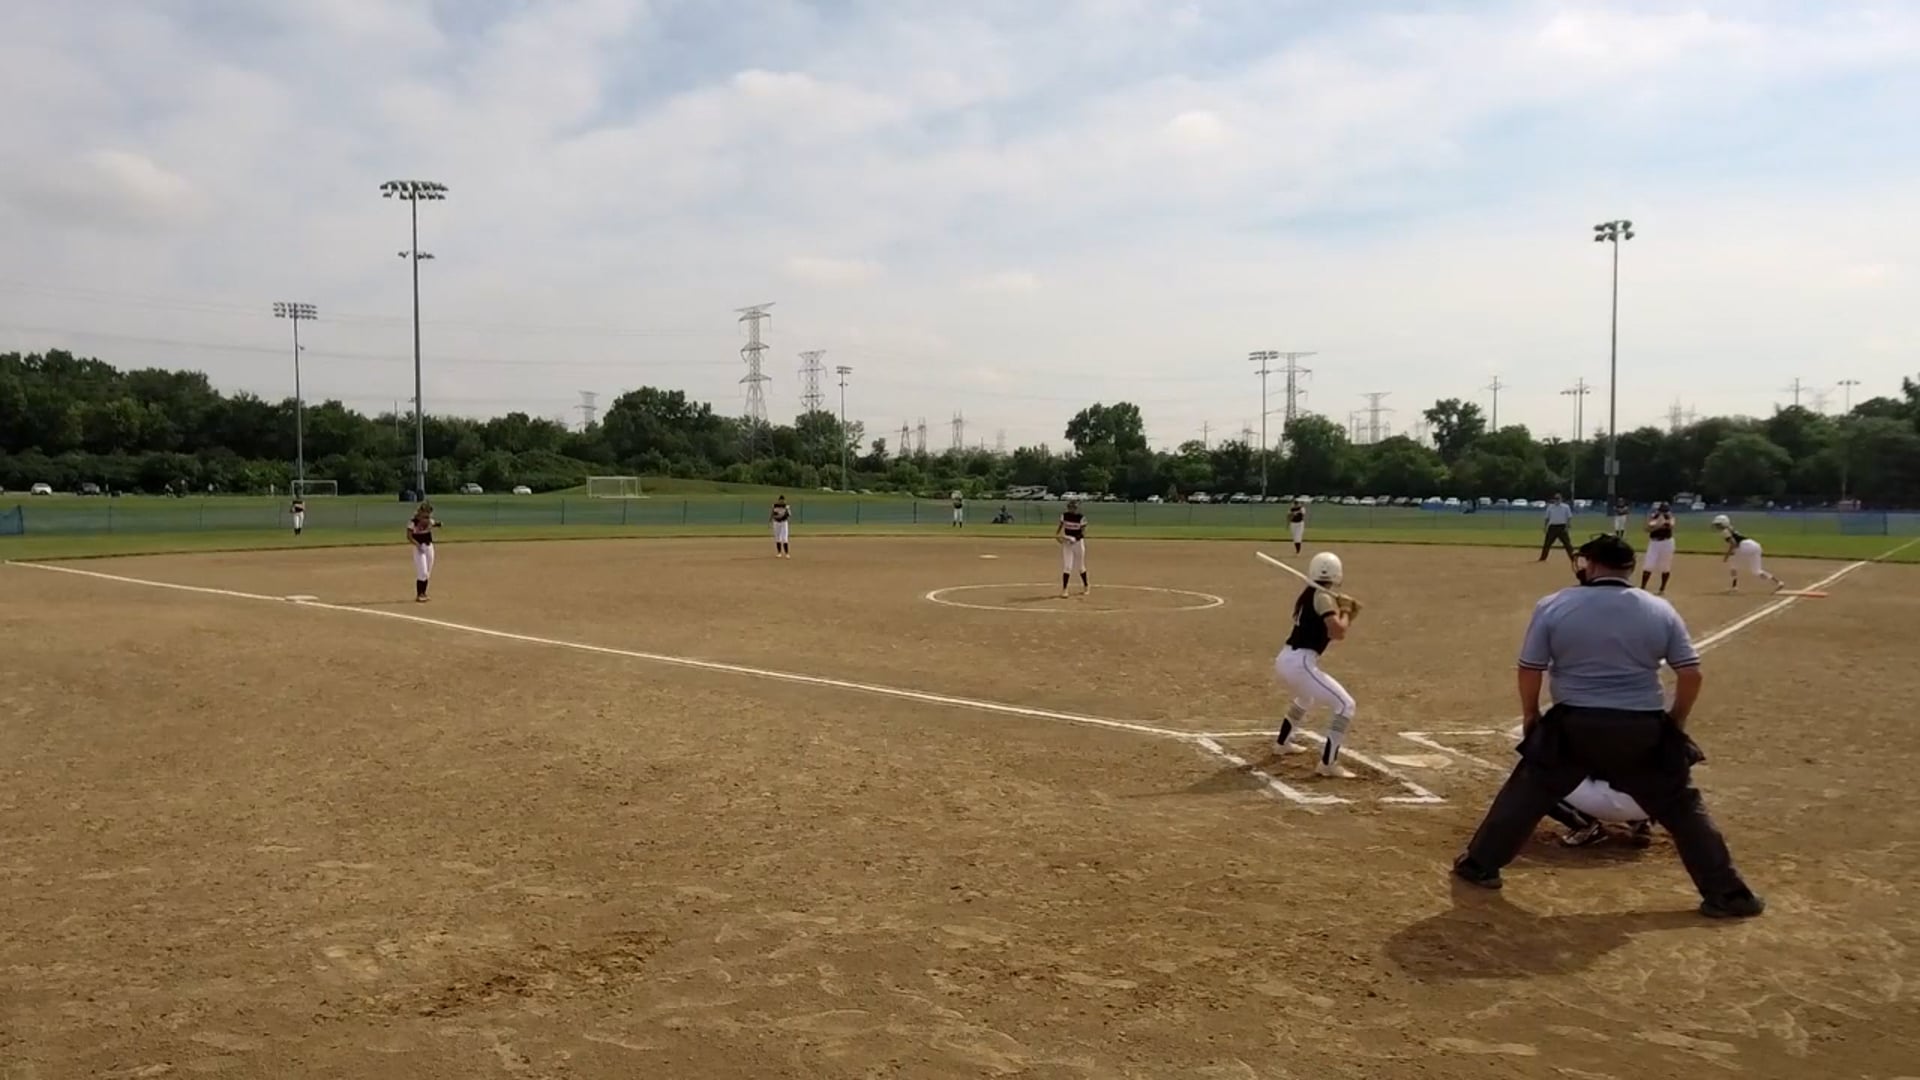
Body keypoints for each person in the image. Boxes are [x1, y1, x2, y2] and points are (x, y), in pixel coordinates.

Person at [1451, 534, 1763, 918]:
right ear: (1629, 568)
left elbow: (1530, 668)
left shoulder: (1554, 604)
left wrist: (1531, 715)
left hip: (1574, 722)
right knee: (1682, 807)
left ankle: (1479, 865)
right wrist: (1675, 721)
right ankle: (1729, 895)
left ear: (1592, 564)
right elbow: (1691, 674)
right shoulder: (1659, 608)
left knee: (1528, 791)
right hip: (1642, 725)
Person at [1274, 552, 1362, 779]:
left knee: (1305, 697)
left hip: (1286, 659)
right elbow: (1337, 631)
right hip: (1300, 663)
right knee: (1346, 705)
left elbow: (1331, 630)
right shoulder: (1323, 597)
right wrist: (1346, 611)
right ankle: (1328, 764)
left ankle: (1282, 743)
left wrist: (1346, 612)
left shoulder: (1313, 594)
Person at [1551, 777, 1655, 848]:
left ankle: (1585, 826)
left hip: (1612, 805)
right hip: (1649, 805)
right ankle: (1641, 823)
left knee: (1545, 774)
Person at [1712, 515, 1783, 593]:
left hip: (1744, 546)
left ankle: (1734, 587)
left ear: (1724, 523)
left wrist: (1727, 556)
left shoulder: (1725, 531)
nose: (1717, 526)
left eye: (1718, 524)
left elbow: (1734, 544)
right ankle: (1778, 583)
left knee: (1733, 566)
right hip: (1755, 545)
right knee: (1756, 571)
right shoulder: (1731, 528)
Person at [406, 503, 441, 603]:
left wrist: (439, 524)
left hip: (429, 547)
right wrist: (417, 545)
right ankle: (419, 594)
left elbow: (433, 523)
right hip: (419, 548)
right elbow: (409, 536)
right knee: (422, 572)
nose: (427, 518)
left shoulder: (429, 521)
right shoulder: (413, 523)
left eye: (428, 515)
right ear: (420, 513)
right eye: (425, 515)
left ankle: (423, 593)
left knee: (427, 572)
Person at [1055, 499, 1089, 597]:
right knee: (1067, 566)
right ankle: (1064, 589)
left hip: (1078, 543)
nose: (1072, 509)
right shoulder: (1064, 516)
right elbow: (1060, 526)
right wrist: (1057, 535)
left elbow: (1083, 533)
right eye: (1070, 507)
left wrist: (1075, 538)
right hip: (1067, 543)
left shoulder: (1081, 517)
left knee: (1080, 566)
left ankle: (1086, 586)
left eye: (1074, 508)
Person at [1641, 502, 1677, 593]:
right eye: (1662, 511)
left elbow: (1671, 525)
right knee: (1648, 565)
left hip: (1667, 542)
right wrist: (1659, 525)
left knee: (1665, 566)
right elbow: (1647, 528)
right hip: (1654, 543)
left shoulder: (1670, 517)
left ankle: (1662, 588)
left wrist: (1659, 525)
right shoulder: (1654, 516)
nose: (1663, 513)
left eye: (1665, 511)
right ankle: (1642, 587)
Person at [1539, 494, 1576, 563]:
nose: (1557, 500)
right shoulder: (1550, 507)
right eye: (1556, 499)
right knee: (1547, 543)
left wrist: (1567, 525)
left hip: (1562, 527)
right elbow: (1547, 518)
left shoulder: (1566, 507)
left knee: (1567, 544)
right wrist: (1545, 526)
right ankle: (1543, 558)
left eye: (1558, 499)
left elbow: (1569, 517)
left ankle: (1573, 558)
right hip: (1552, 527)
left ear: (1561, 499)